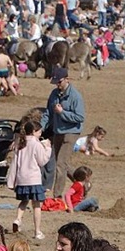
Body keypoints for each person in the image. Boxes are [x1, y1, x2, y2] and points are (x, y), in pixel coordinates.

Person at [40, 68, 85, 198]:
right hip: (57, 131)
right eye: (55, 82)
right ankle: (82, 183)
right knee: (62, 163)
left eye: (59, 82)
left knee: (60, 164)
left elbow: (80, 117)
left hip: (71, 132)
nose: (57, 85)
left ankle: (57, 196)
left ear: (67, 79)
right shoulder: (54, 94)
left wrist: (62, 113)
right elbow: (48, 113)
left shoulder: (75, 96)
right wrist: (41, 128)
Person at [9, 120, 51, 239]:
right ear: (33, 132)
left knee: (24, 201)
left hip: (22, 179)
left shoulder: (20, 143)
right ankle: (37, 231)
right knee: (36, 205)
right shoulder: (36, 144)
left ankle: (18, 219)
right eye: (39, 131)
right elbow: (42, 161)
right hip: (33, 179)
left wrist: (12, 180)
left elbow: (15, 163)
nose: (40, 133)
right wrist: (47, 148)